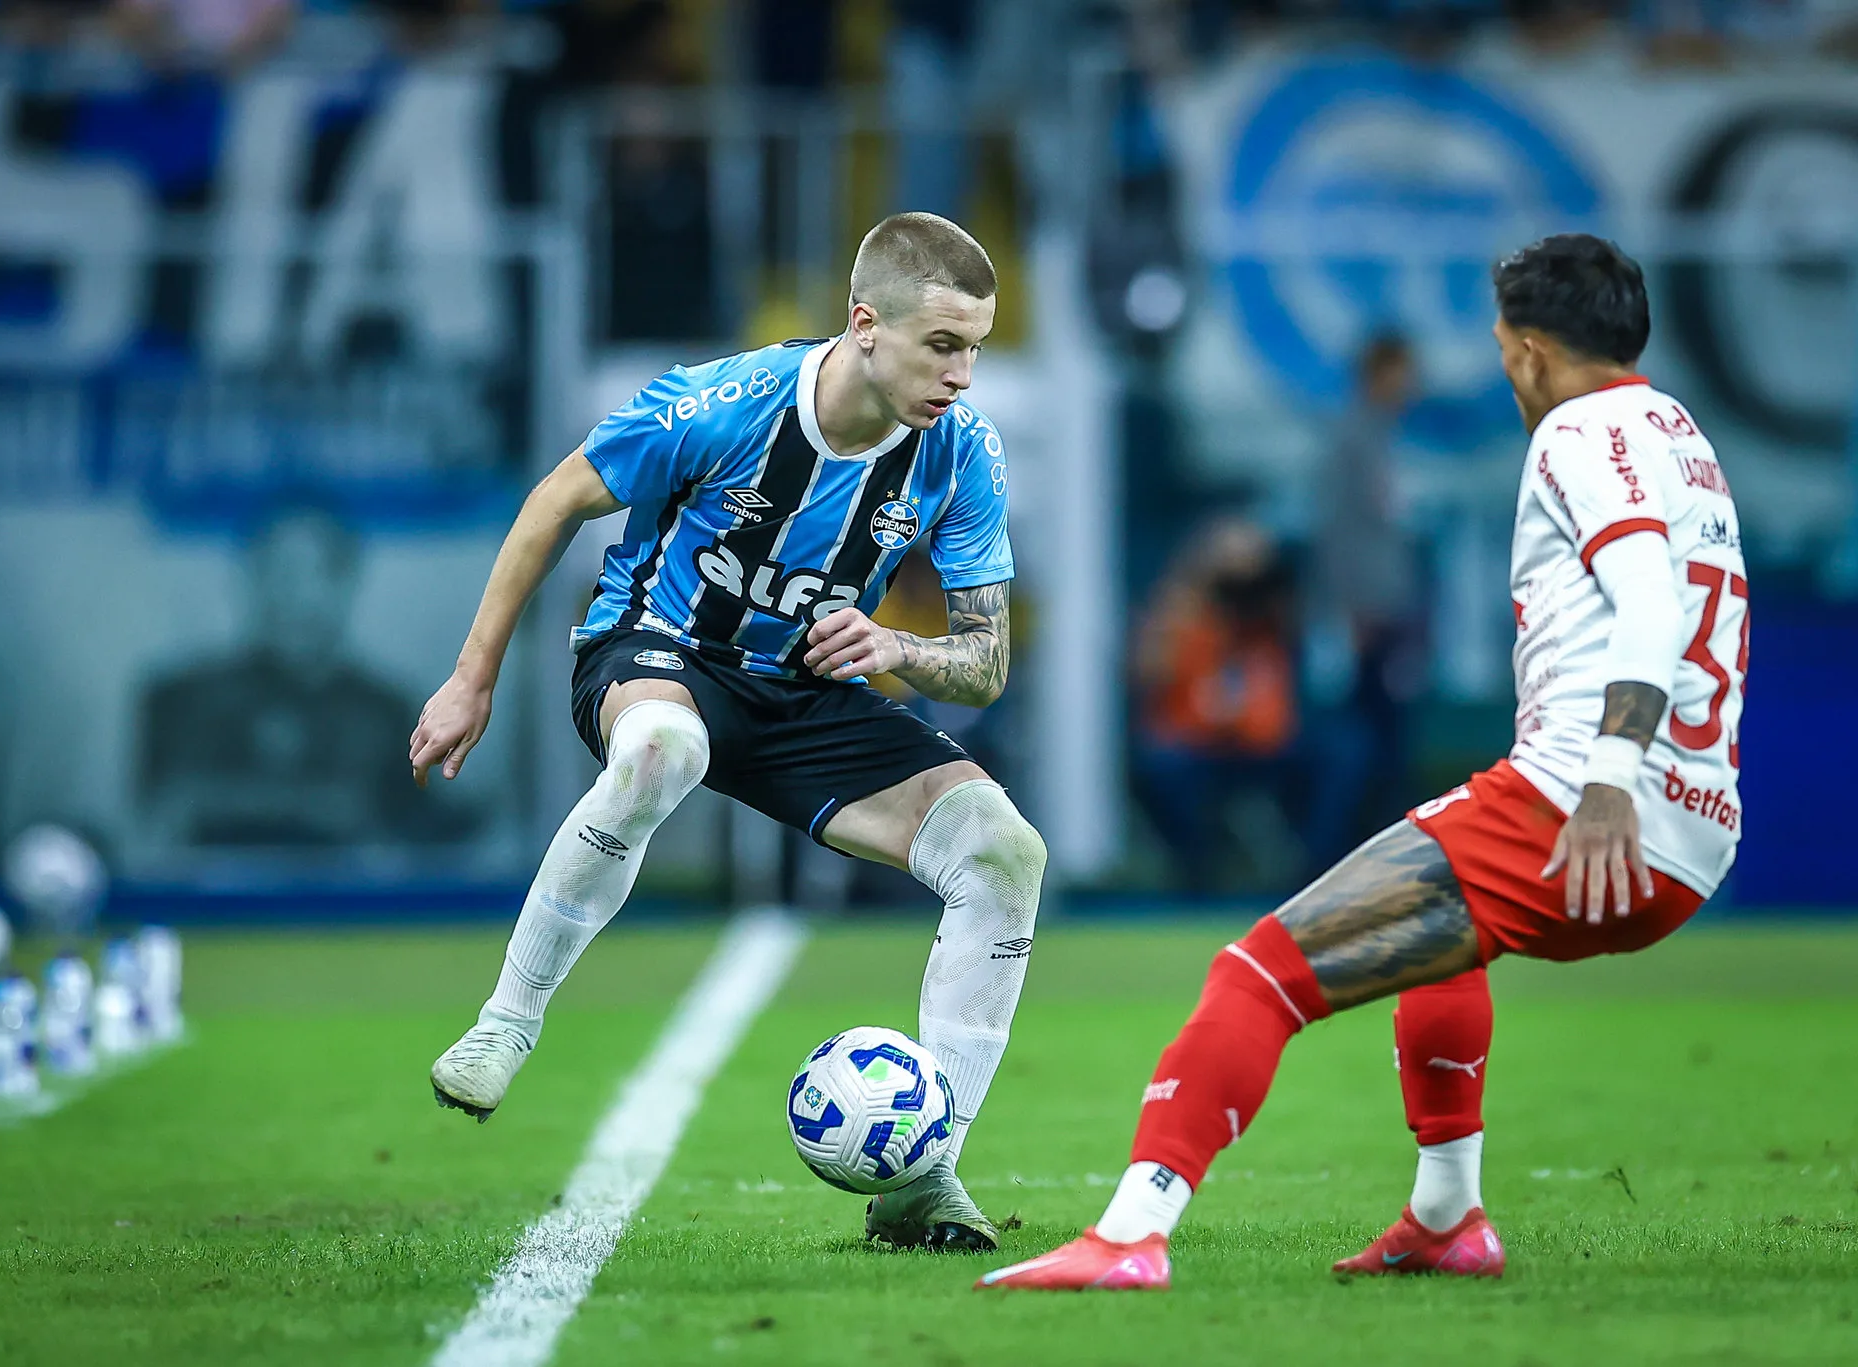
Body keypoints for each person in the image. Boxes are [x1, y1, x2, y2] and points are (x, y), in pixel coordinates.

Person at [977, 233, 1747, 1289]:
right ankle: (1445, 1215)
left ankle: (1128, 1233)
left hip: (1583, 805)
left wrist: (1609, 778)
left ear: (1527, 349)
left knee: (1255, 973)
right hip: (1696, 833)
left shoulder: (1578, 430)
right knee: (1442, 943)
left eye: (1499, 349)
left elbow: (1651, 601)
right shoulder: (1679, 435)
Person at [412, 212, 1043, 1253]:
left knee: (1005, 853)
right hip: (659, 650)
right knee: (664, 750)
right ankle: (503, 1025)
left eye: (973, 347)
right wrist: (470, 679)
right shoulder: (723, 402)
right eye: (941, 345)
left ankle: (924, 1177)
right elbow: (552, 503)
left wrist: (897, 645)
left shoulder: (961, 451)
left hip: (802, 692)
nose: (961, 375)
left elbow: (985, 663)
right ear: (864, 325)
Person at [138, 503, 443, 849]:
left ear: (348, 583)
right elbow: (164, 819)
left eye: (320, 572)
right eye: (282, 571)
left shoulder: (387, 713)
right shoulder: (183, 701)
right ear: (251, 579)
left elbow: (414, 841)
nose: (299, 595)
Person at [1305, 333, 1423, 871]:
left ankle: (1373, 858)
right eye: (1403, 372)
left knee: (1385, 741)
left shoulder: (1381, 436)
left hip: (1387, 609)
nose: (1412, 384)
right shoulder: (1351, 438)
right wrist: (1348, 608)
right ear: (1379, 373)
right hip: (1366, 614)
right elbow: (1337, 532)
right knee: (1357, 746)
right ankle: (1331, 858)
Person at [1130, 519, 1298, 891]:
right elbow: (1149, 673)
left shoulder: (1272, 615)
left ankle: (1307, 869)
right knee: (1162, 769)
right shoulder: (1180, 611)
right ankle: (1198, 874)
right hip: (1195, 744)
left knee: (1339, 754)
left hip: (1260, 745)